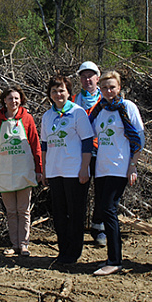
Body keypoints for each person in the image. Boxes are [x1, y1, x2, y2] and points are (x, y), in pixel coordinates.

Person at [89, 71, 144, 276]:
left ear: (119, 87)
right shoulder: (100, 110)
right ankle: (113, 258)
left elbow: (138, 138)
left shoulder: (127, 107)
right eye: (104, 88)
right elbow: (90, 133)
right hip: (102, 168)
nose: (108, 91)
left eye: (112, 87)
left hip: (119, 167)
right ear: (99, 90)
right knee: (104, 211)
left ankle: (115, 260)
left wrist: (133, 165)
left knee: (109, 210)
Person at [41, 75, 93, 264]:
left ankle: (74, 252)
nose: (58, 94)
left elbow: (87, 142)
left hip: (74, 171)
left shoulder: (78, 113)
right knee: (60, 213)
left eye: (61, 90)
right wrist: (45, 169)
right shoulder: (47, 116)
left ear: (69, 93)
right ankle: (63, 251)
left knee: (75, 213)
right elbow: (44, 145)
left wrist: (84, 168)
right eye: (54, 91)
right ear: (50, 94)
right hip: (55, 171)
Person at [0, 85, 42, 256]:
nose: (14, 101)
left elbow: (35, 144)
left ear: (21, 100)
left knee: (23, 210)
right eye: (10, 98)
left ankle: (24, 244)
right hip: (4, 171)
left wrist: (39, 169)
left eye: (17, 98)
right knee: (11, 211)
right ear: (4, 100)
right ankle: (14, 244)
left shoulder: (27, 118)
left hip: (24, 169)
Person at [72, 61, 105, 247]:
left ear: (97, 78)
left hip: (102, 151)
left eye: (90, 76)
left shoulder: (106, 99)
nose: (87, 80)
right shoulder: (74, 100)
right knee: (79, 191)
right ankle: (77, 228)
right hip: (80, 153)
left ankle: (98, 227)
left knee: (101, 190)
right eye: (83, 76)